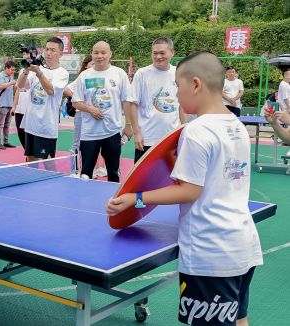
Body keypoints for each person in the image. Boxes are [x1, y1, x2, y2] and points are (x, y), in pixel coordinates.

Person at [107, 51, 262, 326]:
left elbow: (189, 191)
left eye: (178, 87)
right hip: (242, 245)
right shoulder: (236, 126)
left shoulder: (197, 130)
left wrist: (135, 198)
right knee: (239, 320)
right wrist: (169, 160)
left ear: (196, 84)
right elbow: (214, 172)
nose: (176, 95)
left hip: (210, 252)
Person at [72, 41, 133, 181]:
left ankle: (113, 201)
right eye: (96, 52)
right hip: (89, 134)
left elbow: (126, 101)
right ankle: (85, 200)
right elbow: (75, 102)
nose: (100, 56)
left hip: (112, 132)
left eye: (103, 52)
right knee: (86, 173)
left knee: (113, 172)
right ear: (92, 54)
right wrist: (90, 109)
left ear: (110, 54)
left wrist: (128, 125)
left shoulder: (119, 74)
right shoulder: (84, 76)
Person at [128, 37, 186, 163]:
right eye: (155, 53)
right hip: (147, 139)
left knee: (170, 178)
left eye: (162, 53)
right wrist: (136, 132)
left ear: (172, 53)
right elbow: (132, 104)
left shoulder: (178, 73)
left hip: (171, 138)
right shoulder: (142, 74)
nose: (158, 56)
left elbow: (182, 105)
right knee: (142, 180)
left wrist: (183, 129)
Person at [17, 36, 69, 163]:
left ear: (60, 54)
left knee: (47, 165)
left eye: (53, 50)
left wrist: (39, 73)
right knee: (30, 160)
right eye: (47, 49)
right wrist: (26, 71)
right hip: (30, 124)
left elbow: (51, 91)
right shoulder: (36, 68)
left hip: (46, 127)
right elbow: (20, 85)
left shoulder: (62, 73)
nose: (49, 53)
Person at [11, 48, 33, 149]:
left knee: (30, 134)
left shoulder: (39, 70)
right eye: (24, 54)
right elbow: (18, 89)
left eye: (27, 53)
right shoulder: (22, 71)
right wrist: (14, 106)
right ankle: (27, 153)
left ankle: (30, 156)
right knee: (20, 132)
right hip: (20, 108)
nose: (25, 56)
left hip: (30, 109)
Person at [0, 61, 17, 149]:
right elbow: (0, 86)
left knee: (7, 124)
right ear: (6, 68)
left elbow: (11, 89)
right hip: (2, 104)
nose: (13, 72)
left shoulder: (10, 77)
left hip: (9, 104)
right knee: (0, 124)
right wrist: (11, 83)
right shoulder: (0, 76)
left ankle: (6, 141)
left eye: (14, 70)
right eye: (12, 70)